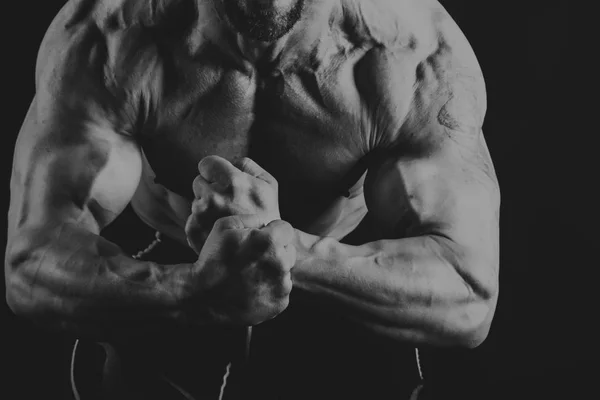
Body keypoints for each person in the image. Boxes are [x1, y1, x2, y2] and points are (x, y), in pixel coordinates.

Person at [5, 0, 500, 399]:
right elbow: (31, 266)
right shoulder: (109, 38)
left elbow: (468, 294)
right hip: (173, 275)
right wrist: (187, 292)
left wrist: (285, 250)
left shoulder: (413, 58)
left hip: (344, 282)